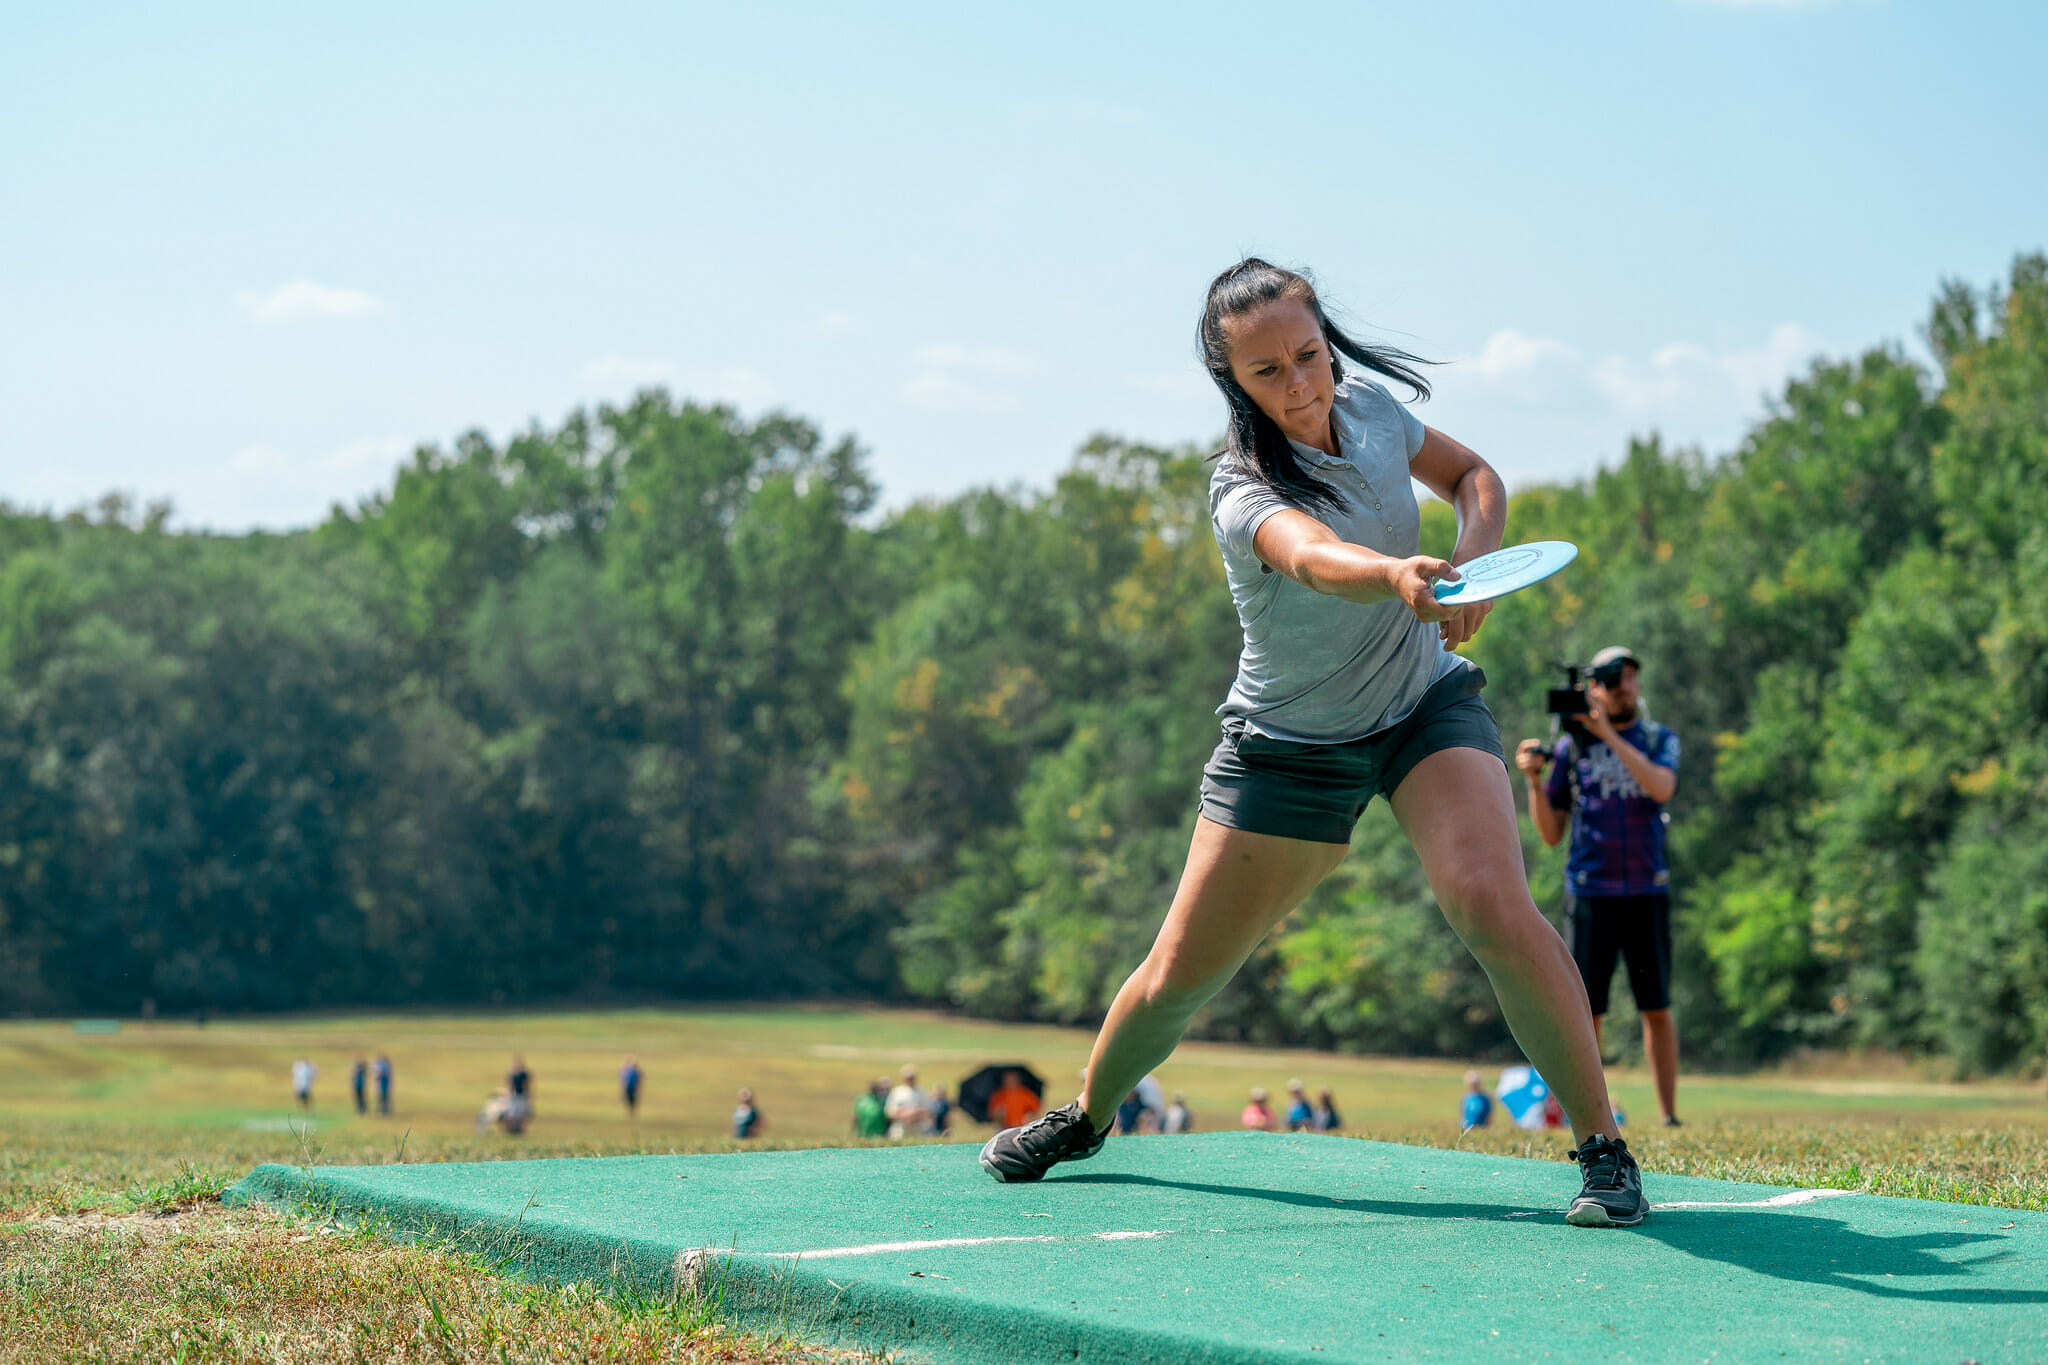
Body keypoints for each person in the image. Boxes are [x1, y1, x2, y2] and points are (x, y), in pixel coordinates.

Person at [980, 259, 1643, 1228]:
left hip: (1423, 704)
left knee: (1490, 902)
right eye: (1266, 373)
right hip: (1288, 745)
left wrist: (1473, 568)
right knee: (1178, 978)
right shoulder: (1239, 486)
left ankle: (1604, 1151)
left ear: (1326, 339)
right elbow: (1313, 559)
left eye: (1307, 355)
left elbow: (1473, 476)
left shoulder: (1373, 410)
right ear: (1229, 382)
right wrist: (1396, 576)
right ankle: (1086, 1117)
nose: (1298, 385)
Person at [1516, 645, 1684, 1128]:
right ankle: (1590, 1113)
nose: (1625, 686)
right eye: (1614, 679)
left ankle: (1669, 1115)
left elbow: (1661, 788)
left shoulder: (1657, 738)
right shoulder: (1571, 749)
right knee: (1586, 1009)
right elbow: (1550, 835)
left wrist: (1607, 733)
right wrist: (1533, 781)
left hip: (1647, 890)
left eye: (1631, 677)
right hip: (1591, 893)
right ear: (1593, 688)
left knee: (1657, 1005)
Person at [885, 1065, 933, 1139]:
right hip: (900, 1131)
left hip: (918, 1131)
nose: (910, 1080)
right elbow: (890, 1112)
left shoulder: (922, 1091)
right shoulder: (897, 1091)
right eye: (908, 1078)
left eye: (912, 1077)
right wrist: (905, 1115)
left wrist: (915, 1114)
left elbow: (929, 1111)